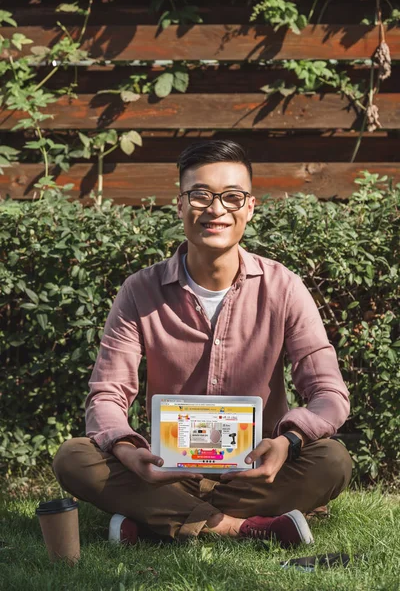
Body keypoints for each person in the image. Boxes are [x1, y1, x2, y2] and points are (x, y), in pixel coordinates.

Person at [53, 140, 352, 547]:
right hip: (169, 468)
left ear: (249, 207)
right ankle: (243, 526)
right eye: (200, 195)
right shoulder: (140, 291)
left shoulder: (284, 287)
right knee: (74, 457)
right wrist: (126, 450)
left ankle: (155, 519)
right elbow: (107, 394)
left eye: (231, 197)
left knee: (332, 461)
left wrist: (287, 442)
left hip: (254, 469)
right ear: (180, 205)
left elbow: (329, 394)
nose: (216, 209)